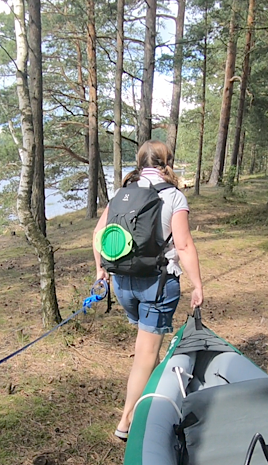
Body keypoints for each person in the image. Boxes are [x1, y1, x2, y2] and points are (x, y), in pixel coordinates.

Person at [93, 140, 204, 442]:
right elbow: (182, 245)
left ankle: (142, 397)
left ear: (140, 161)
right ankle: (127, 420)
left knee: (145, 345)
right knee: (146, 352)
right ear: (167, 161)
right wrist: (197, 284)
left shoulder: (122, 192)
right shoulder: (173, 197)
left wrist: (101, 270)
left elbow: (99, 233)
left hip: (123, 284)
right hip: (157, 284)